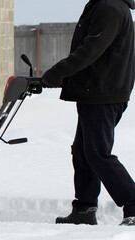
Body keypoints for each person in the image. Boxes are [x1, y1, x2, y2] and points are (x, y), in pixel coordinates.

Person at [42, 0, 135, 226]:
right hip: (95, 92)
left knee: (97, 153)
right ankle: (84, 208)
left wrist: (58, 73)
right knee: (83, 152)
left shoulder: (110, 8)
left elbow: (90, 50)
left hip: (104, 94)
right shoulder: (104, 5)